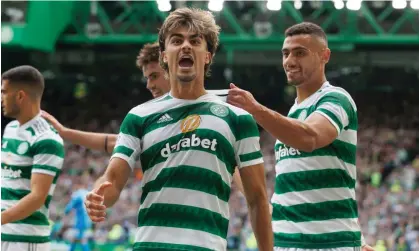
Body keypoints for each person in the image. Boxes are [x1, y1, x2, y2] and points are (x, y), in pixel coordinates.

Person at [84, 7, 273, 251]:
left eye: (195, 41)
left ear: (208, 56)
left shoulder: (237, 118)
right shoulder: (138, 116)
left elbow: (257, 199)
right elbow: (112, 180)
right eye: (176, 40)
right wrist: (98, 196)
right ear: (164, 55)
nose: (185, 46)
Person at [227, 22, 374, 251]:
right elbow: (286, 196)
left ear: (325, 55)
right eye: (286, 53)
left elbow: (310, 138)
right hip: (285, 243)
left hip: (329, 244)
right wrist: (232, 157)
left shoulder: (336, 99)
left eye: (300, 53)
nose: (290, 60)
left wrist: (255, 109)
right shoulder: (293, 114)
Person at [1, 66, 65, 251]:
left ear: (20, 96)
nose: (1, 99)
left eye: (4, 92)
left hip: (25, 240)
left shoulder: (47, 139)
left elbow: (37, 197)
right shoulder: (11, 129)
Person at [63, 181, 92, 251]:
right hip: (87, 220)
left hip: (81, 221)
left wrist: (65, 211)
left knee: (82, 239)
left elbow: (68, 208)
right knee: (74, 239)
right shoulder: (87, 193)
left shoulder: (78, 194)